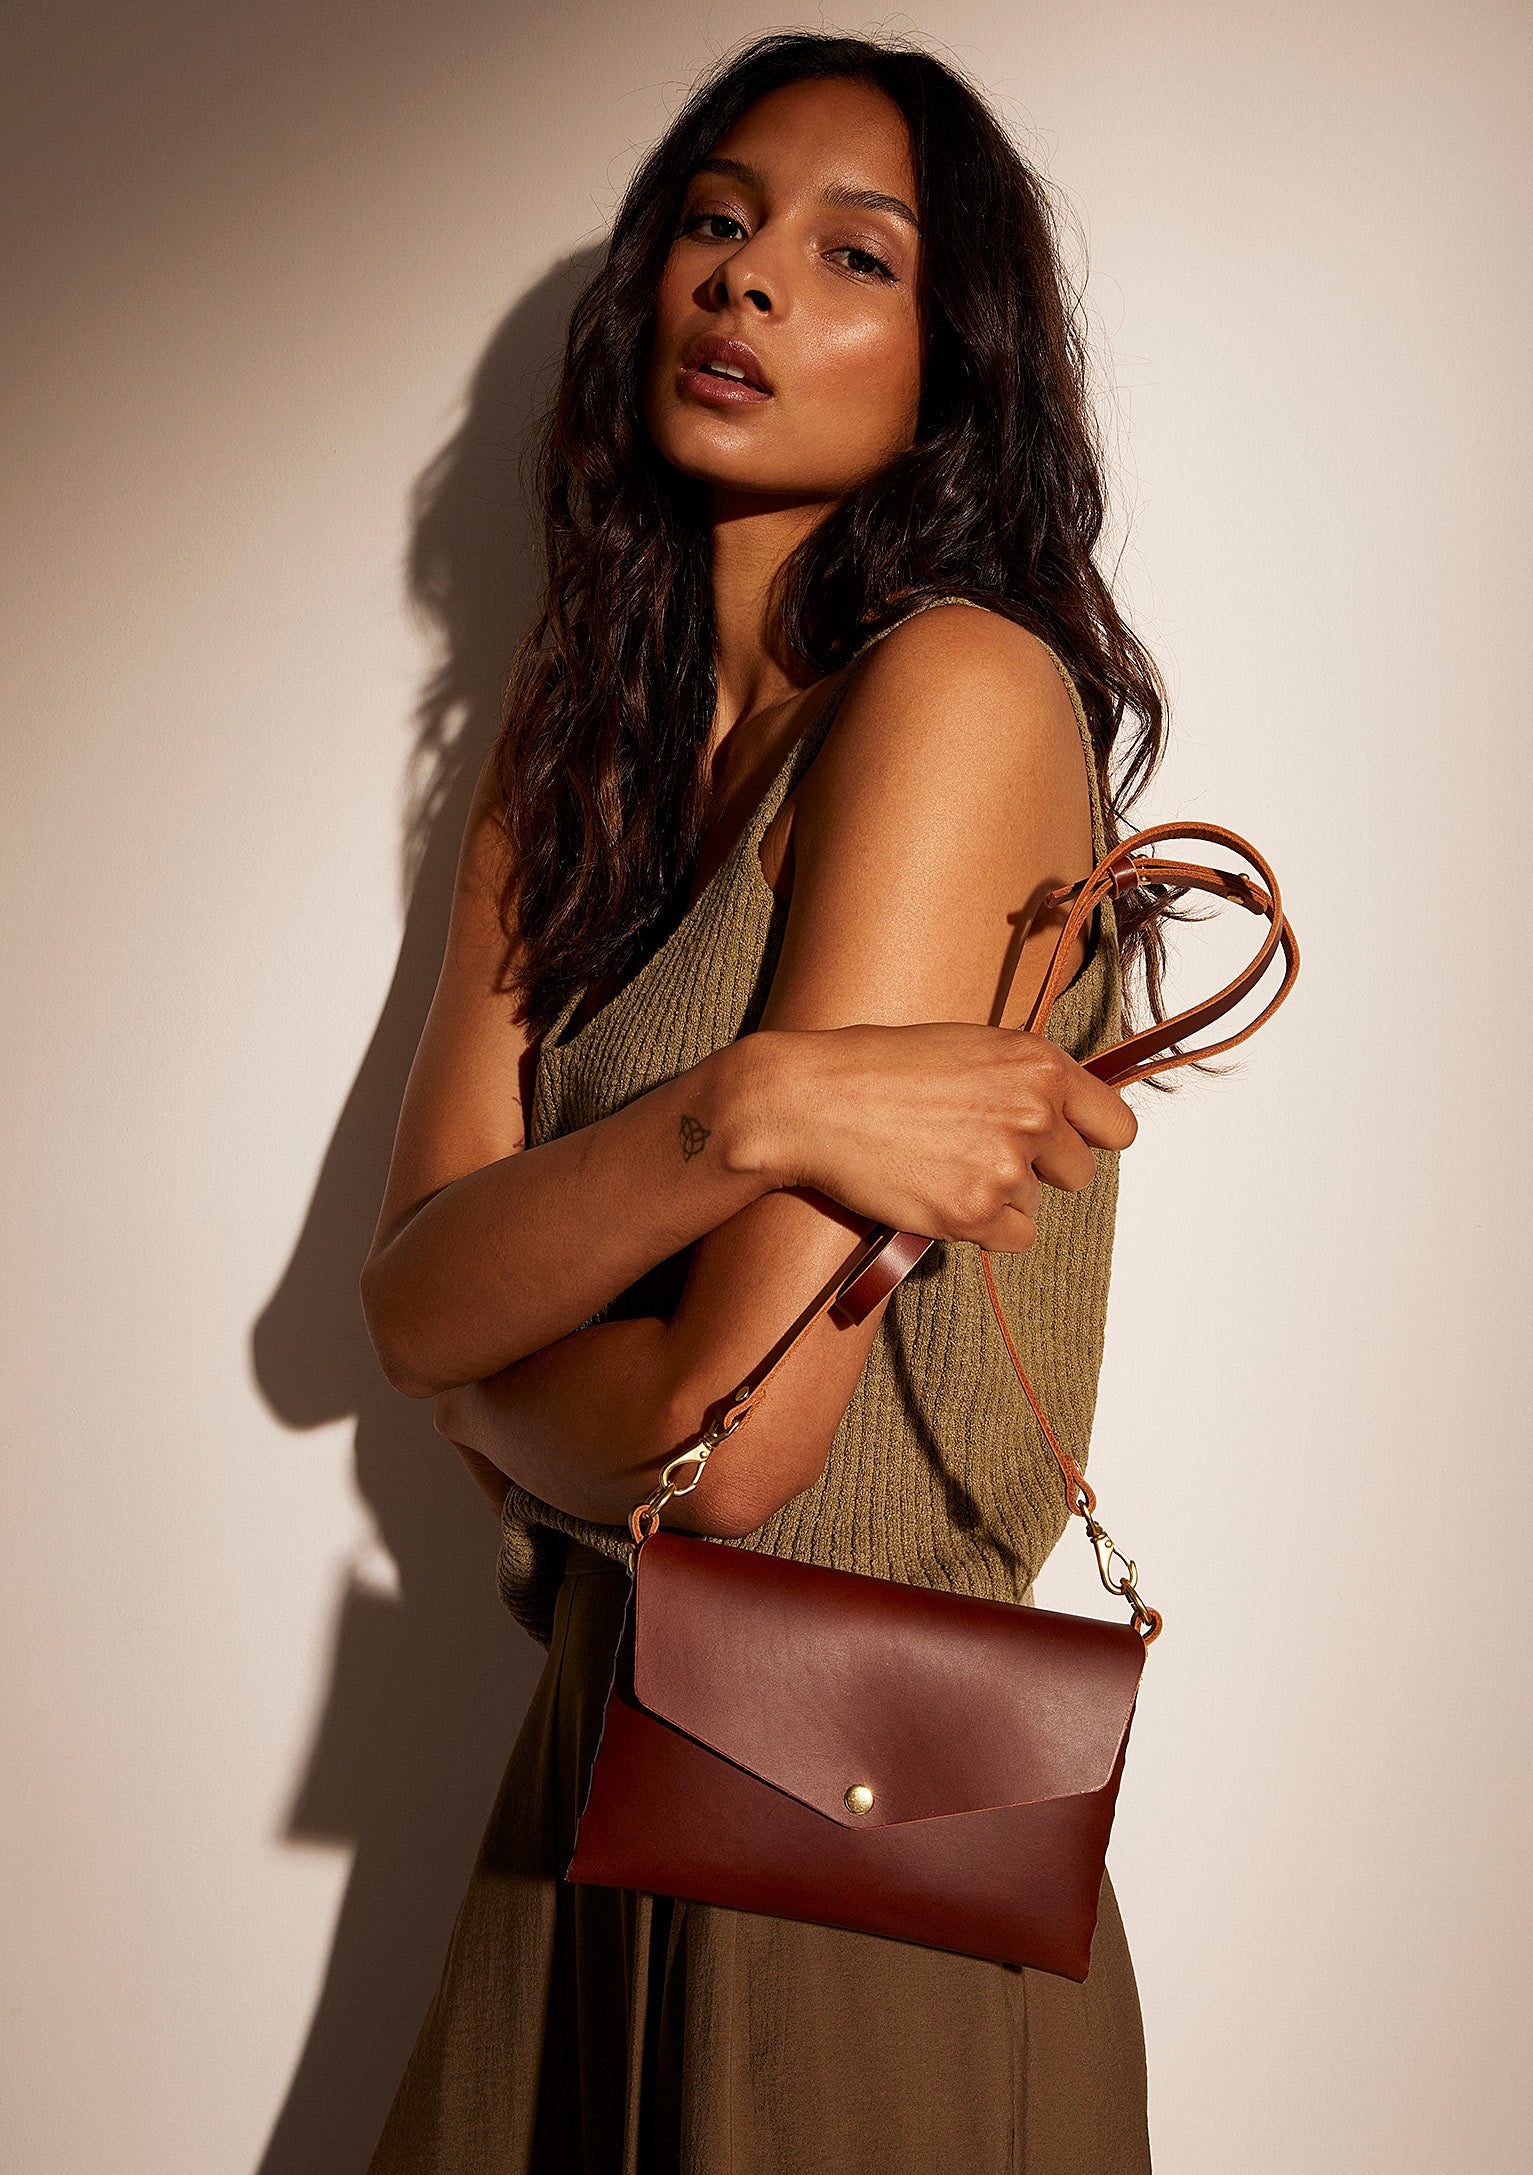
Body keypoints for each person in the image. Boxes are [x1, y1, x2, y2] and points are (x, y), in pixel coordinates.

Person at [360, 29, 1176, 2172]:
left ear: (952, 364)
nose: (742, 283)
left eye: (848, 256)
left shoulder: (952, 690)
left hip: (841, 1847)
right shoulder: (576, 748)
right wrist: (748, 1111)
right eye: (713, 225)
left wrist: (484, 1400)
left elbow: (724, 1453)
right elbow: (400, 1297)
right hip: (590, 1780)